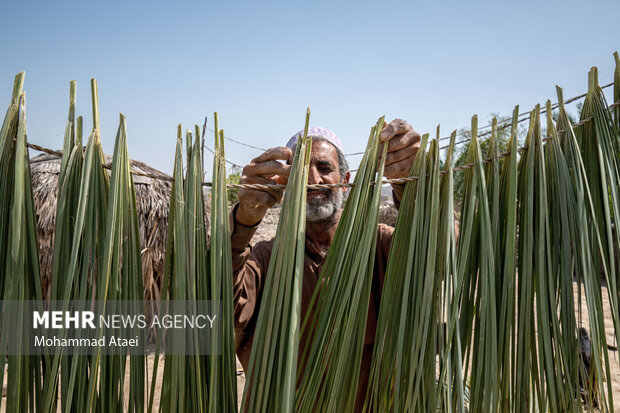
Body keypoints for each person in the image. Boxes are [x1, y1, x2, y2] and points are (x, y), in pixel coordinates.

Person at [230, 119, 421, 411]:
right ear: (284, 185)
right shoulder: (265, 259)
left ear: (345, 179)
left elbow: (441, 250)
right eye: (300, 172)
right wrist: (243, 220)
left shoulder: (380, 245)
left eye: (324, 168)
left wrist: (413, 186)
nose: (313, 180)